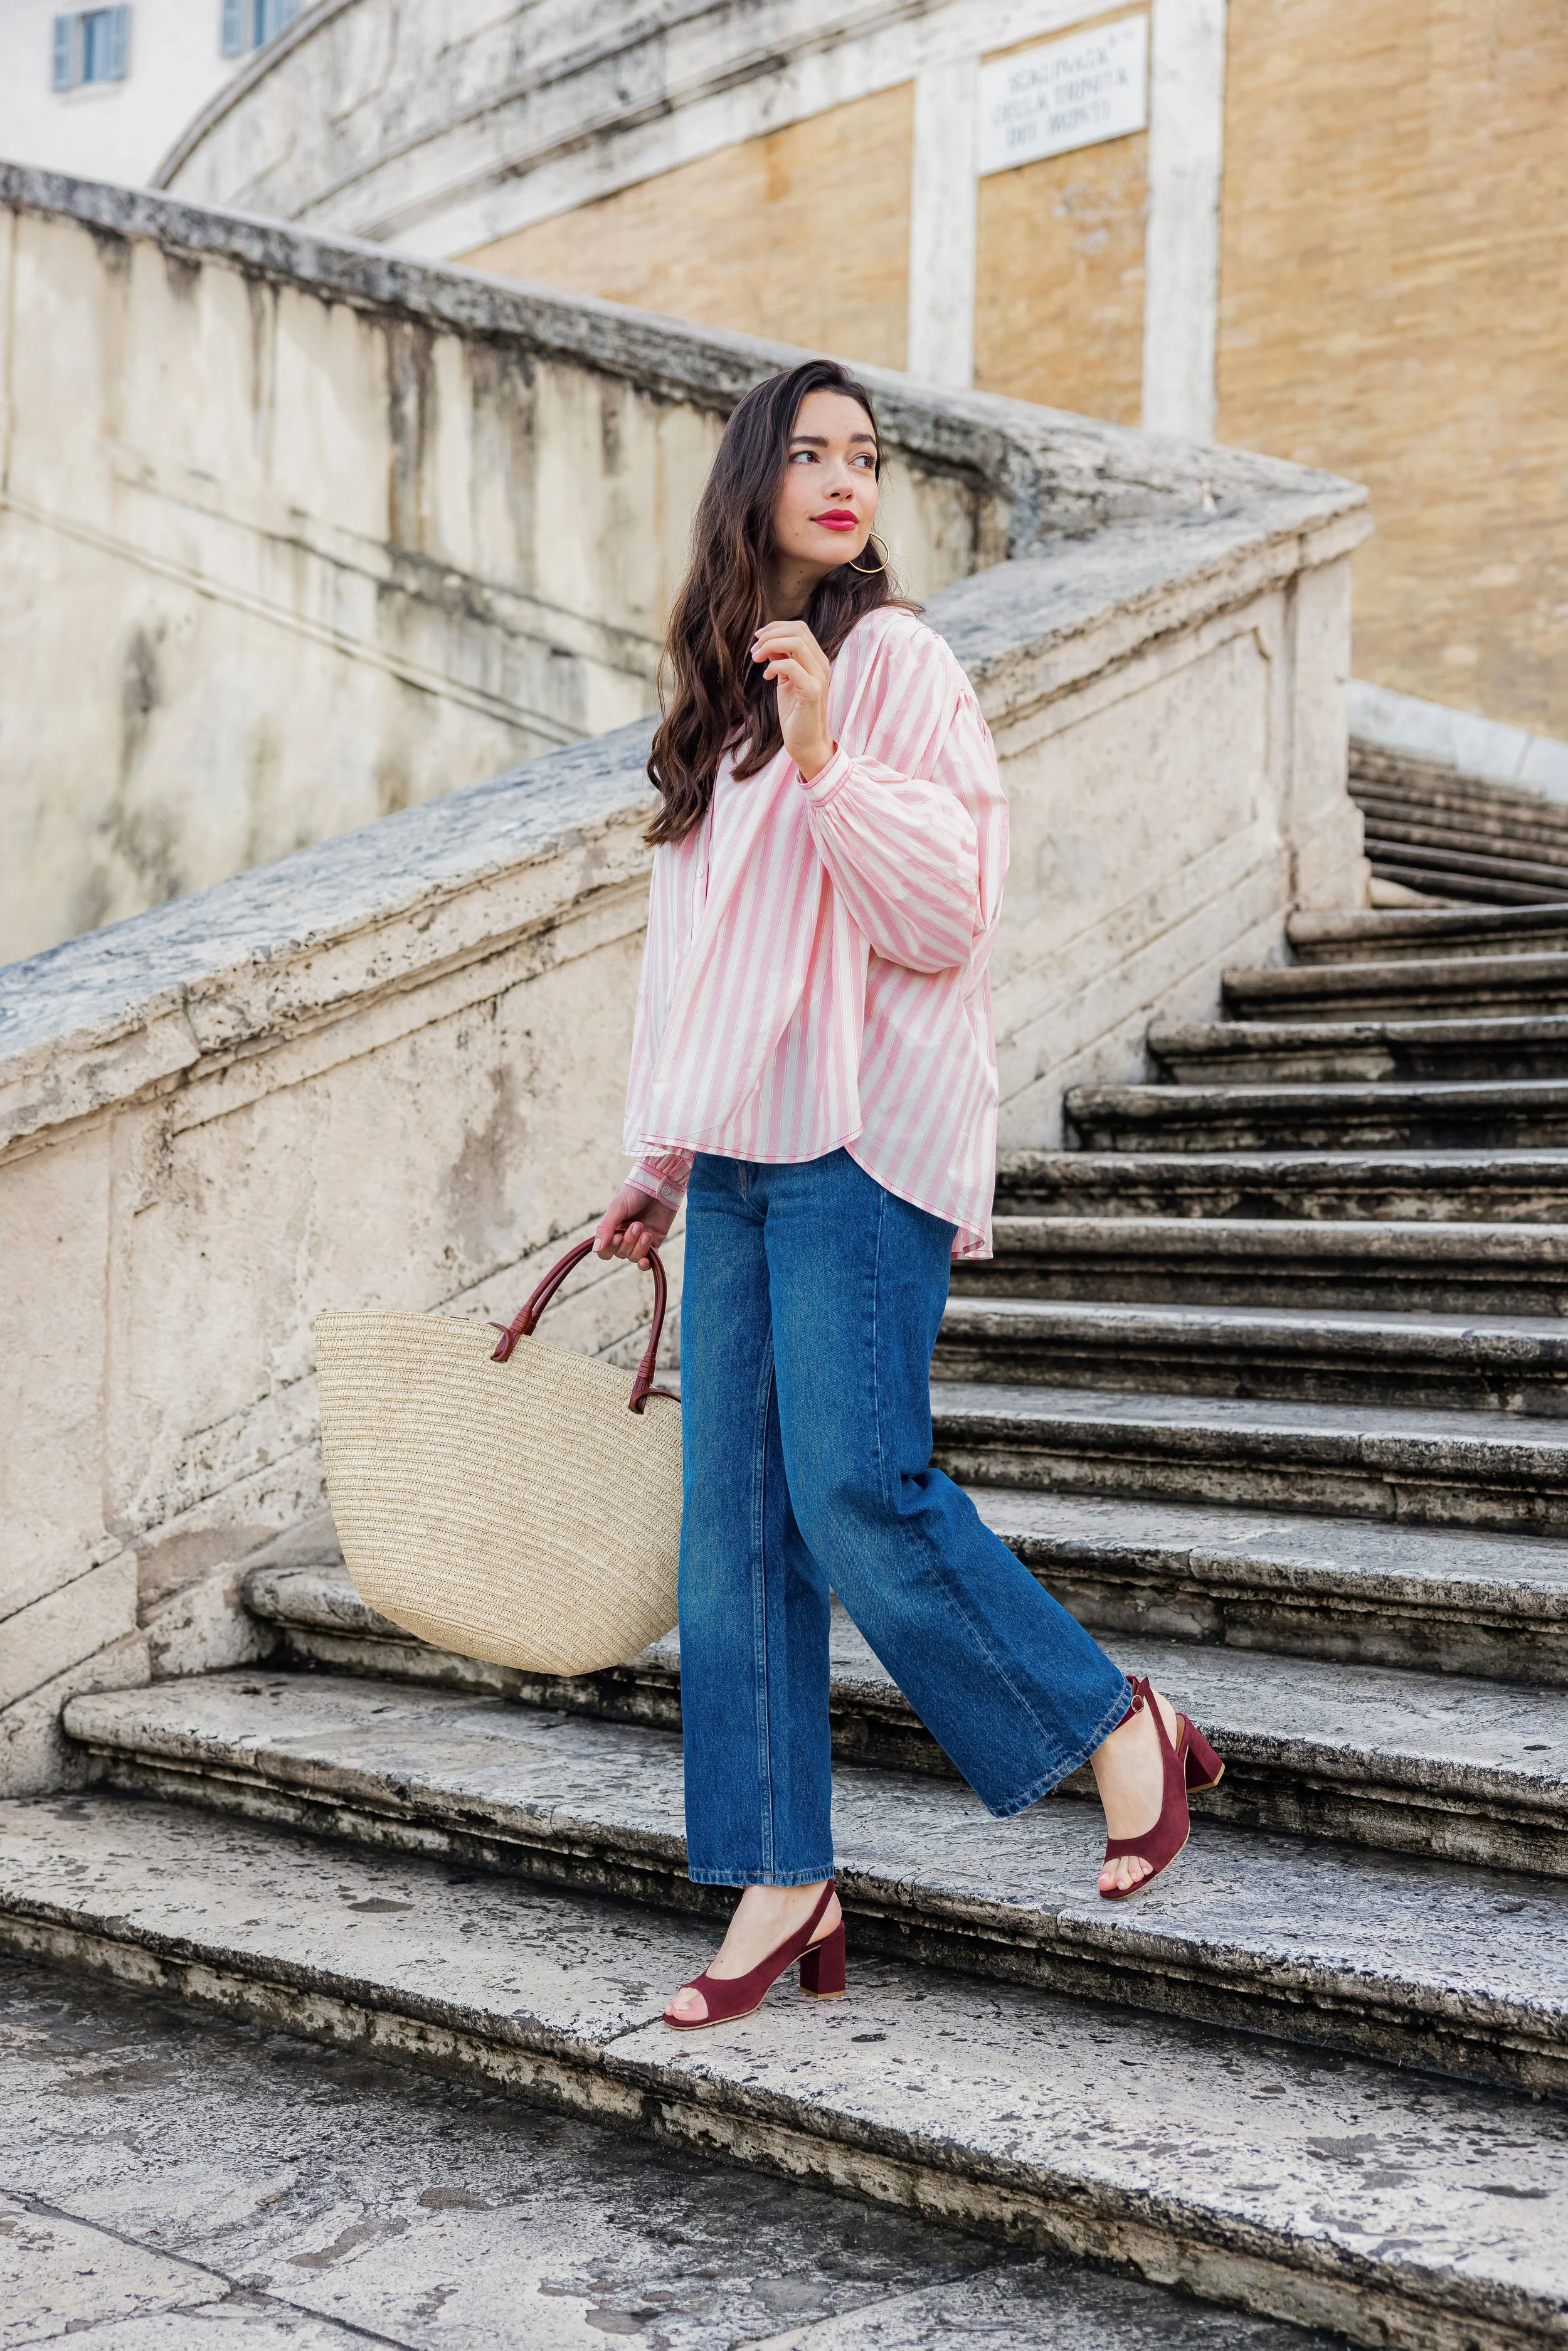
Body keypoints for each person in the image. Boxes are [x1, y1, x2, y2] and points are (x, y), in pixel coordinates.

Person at [593, 358, 1222, 2031]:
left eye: (864, 453)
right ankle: (780, 1876)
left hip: (860, 1138)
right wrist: (652, 1161)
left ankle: (1111, 1722)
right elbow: (692, 956)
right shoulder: (713, 695)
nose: (845, 475)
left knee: (856, 1487)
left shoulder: (898, 665)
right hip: (731, 1154)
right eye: (809, 451)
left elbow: (945, 913)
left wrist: (824, 759)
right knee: (730, 1536)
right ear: (754, 479)